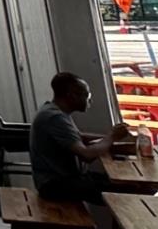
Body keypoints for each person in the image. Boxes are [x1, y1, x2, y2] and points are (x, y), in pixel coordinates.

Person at [30, 71, 130, 205]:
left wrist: (114, 138)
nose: (90, 100)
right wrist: (111, 137)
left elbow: (79, 137)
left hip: (66, 179)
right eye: (87, 95)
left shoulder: (54, 110)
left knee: (123, 183)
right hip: (55, 185)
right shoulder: (55, 118)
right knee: (129, 192)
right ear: (72, 95)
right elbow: (86, 155)